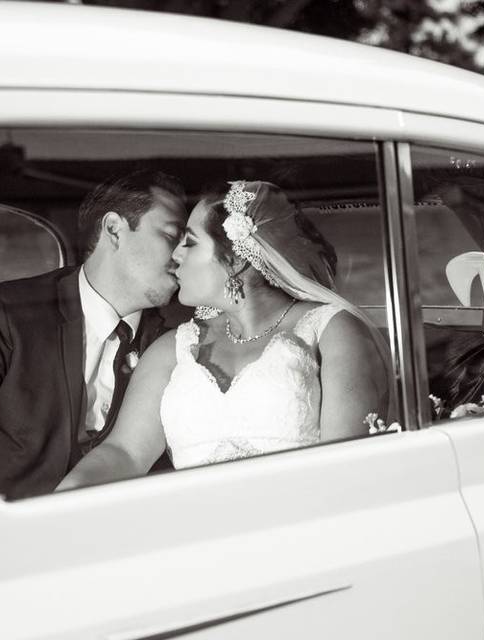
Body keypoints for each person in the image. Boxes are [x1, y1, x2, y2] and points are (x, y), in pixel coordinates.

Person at [56, 180, 394, 490]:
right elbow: (123, 454)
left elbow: (344, 469)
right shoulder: (172, 349)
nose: (175, 256)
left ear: (234, 260)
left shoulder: (331, 331)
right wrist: (63, 500)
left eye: (189, 242)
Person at [0, 171, 187, 499]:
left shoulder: (178, 341)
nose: (182, 255)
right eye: (172, 236)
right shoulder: (6, 314)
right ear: (114, 230)